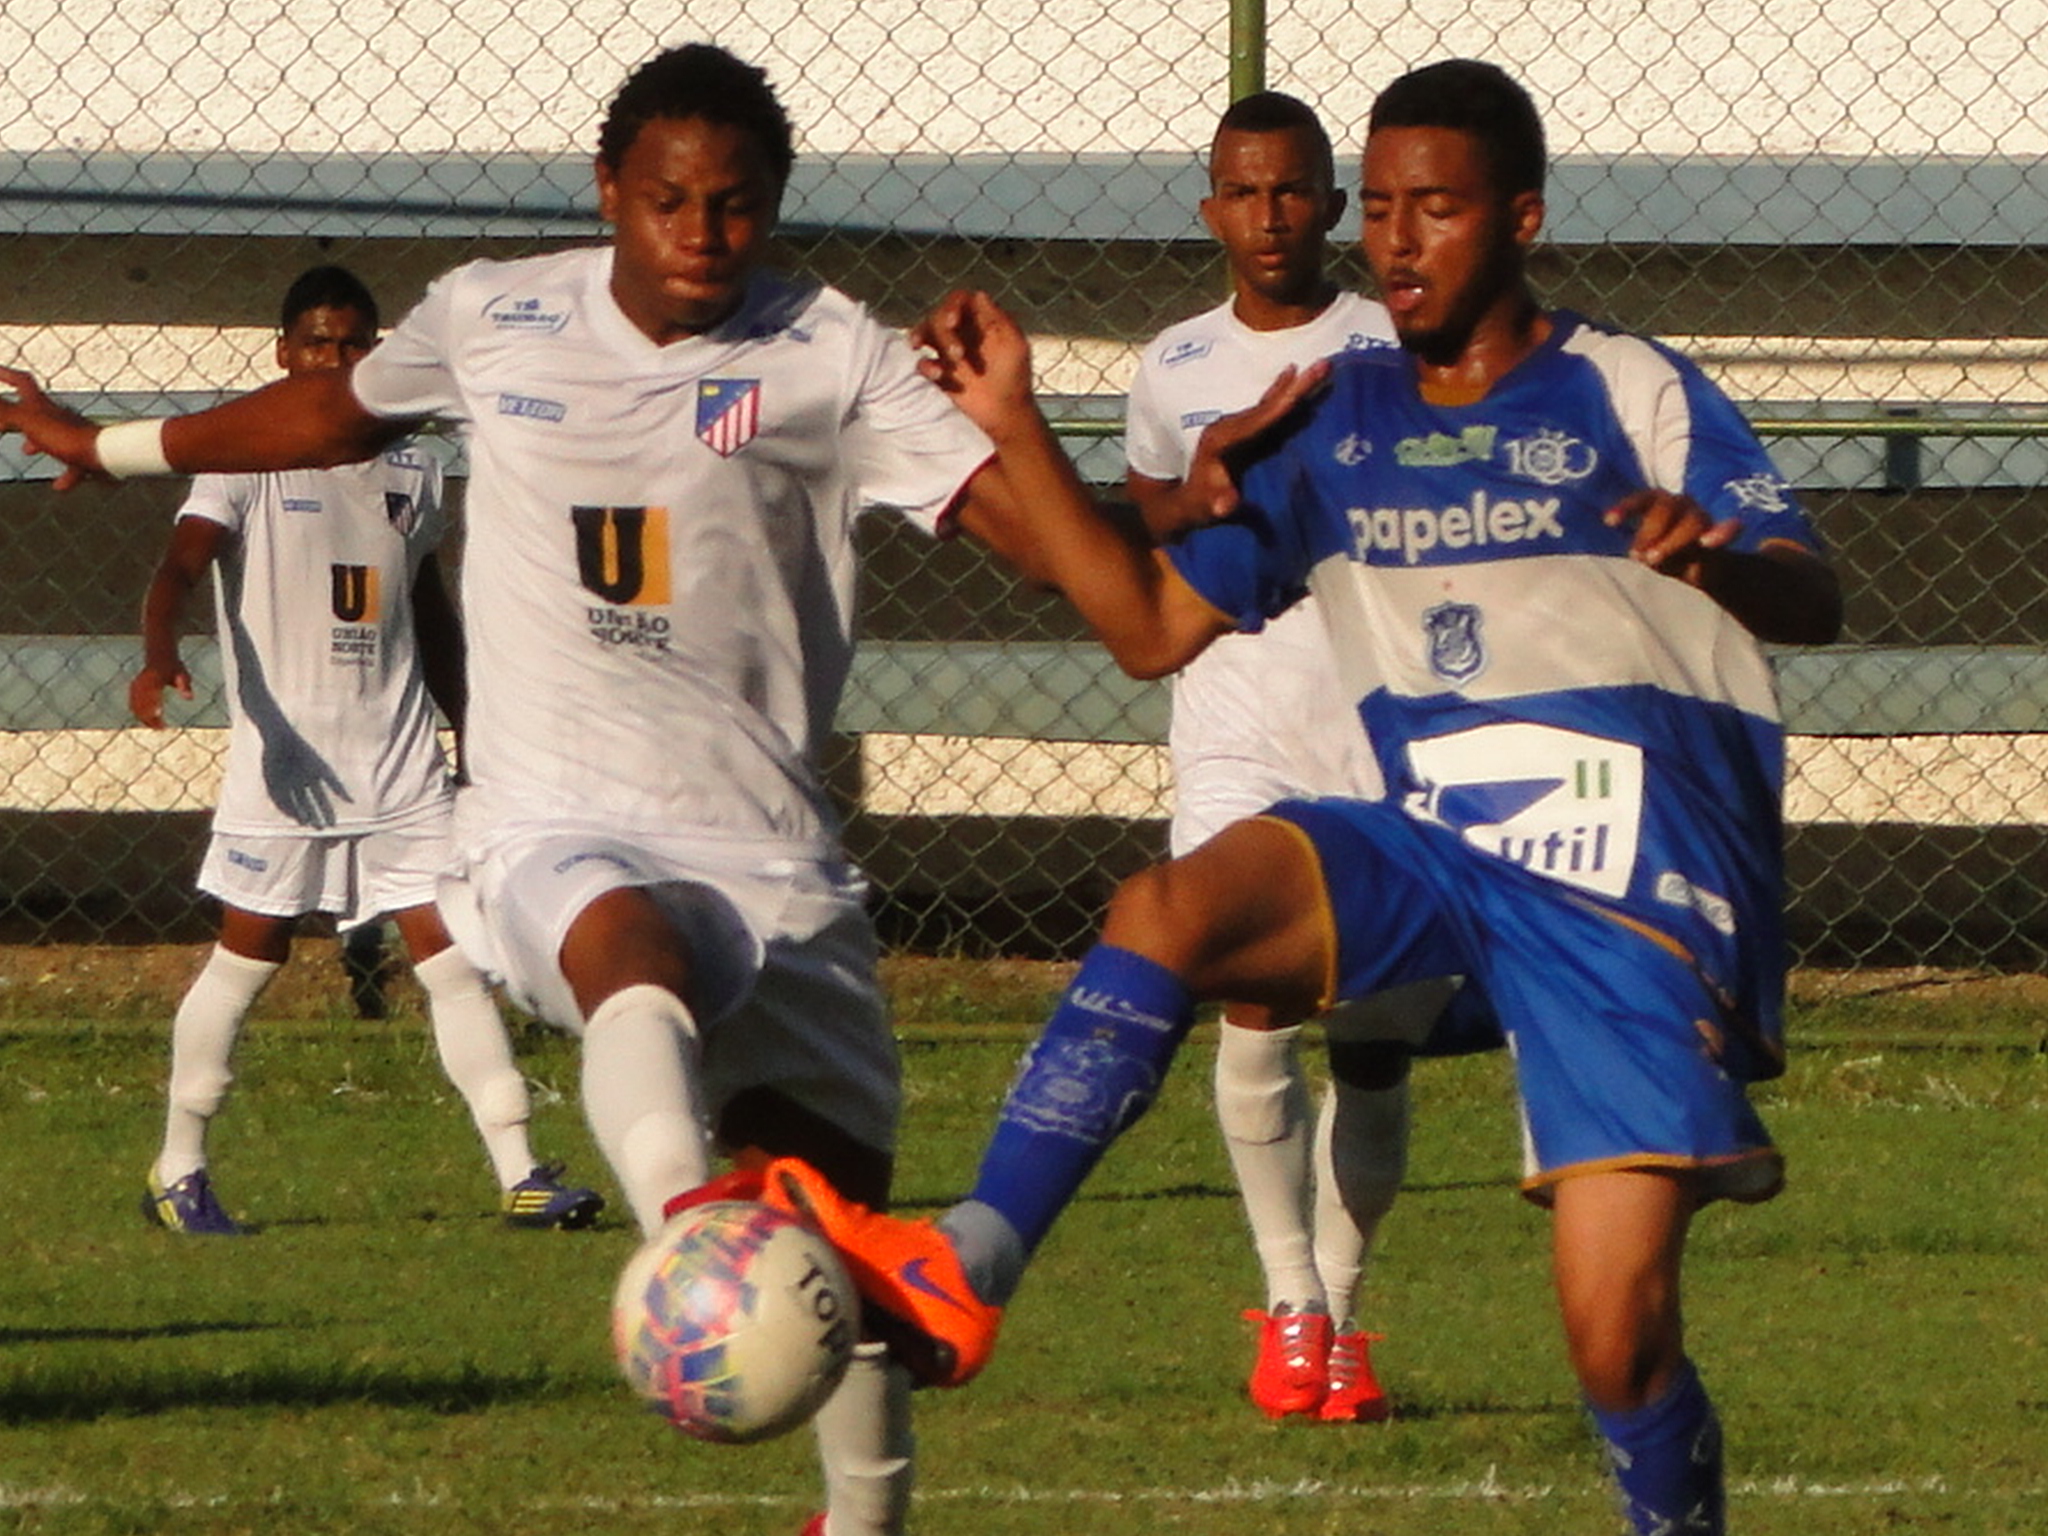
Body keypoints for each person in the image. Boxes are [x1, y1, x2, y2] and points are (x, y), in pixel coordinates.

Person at [730, 59, 1842, 1536]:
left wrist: (1718, 556)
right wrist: (1014, 425)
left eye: (1434, 209)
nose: (1396, 241)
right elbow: (1143, 630)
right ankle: (969, 1266)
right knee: (1169, 906)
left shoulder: (1624, 387)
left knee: (1614, 1336)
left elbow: (1814, 592)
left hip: (1631, 895)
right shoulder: (1330, 415)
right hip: (1444, 843)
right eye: (1379, 208)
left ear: (1519, 218)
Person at [0, 45, 1084, 1536]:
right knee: (623, 953)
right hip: (552, 822)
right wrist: (109, 444)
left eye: (738, 206)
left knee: (839, 1275)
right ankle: (686, 1238)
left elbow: (1030, 530)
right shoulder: (494, 314)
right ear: (607, 194)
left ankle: (865, 1516)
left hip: (776, 851)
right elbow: (327, 416)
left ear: (774, 208)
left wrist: (1187, 501)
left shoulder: (831, 348)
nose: (702, 233)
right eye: (668, 201)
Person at [126, 265, 603, 1237]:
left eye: (351, 345)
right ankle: (179, 1169)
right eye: (315, 343)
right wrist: (157, 648)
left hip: (399, 765)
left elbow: (427, 612)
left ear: (375, 355)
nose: (333, 359)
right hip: (288, 771)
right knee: (245, 960)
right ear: (282, 355)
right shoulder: (245, 459)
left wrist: (473, 726)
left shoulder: (414, 466)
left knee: (452, 960)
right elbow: (179, 564)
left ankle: (519, 1168)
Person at [1127, 87, 1455, 1424]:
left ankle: (1345, 1305)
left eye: (1292, 191)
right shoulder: (1174, 364)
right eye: (1241, 192)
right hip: (1237, 724)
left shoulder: (1395, 338)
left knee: (1374, 1050)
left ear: (1333, 206)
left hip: (1382, 726)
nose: (1268, 216)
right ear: (1211, 210)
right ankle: (1291, 1307)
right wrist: (1204, 474)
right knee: (1253, 999)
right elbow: (1153, 518)